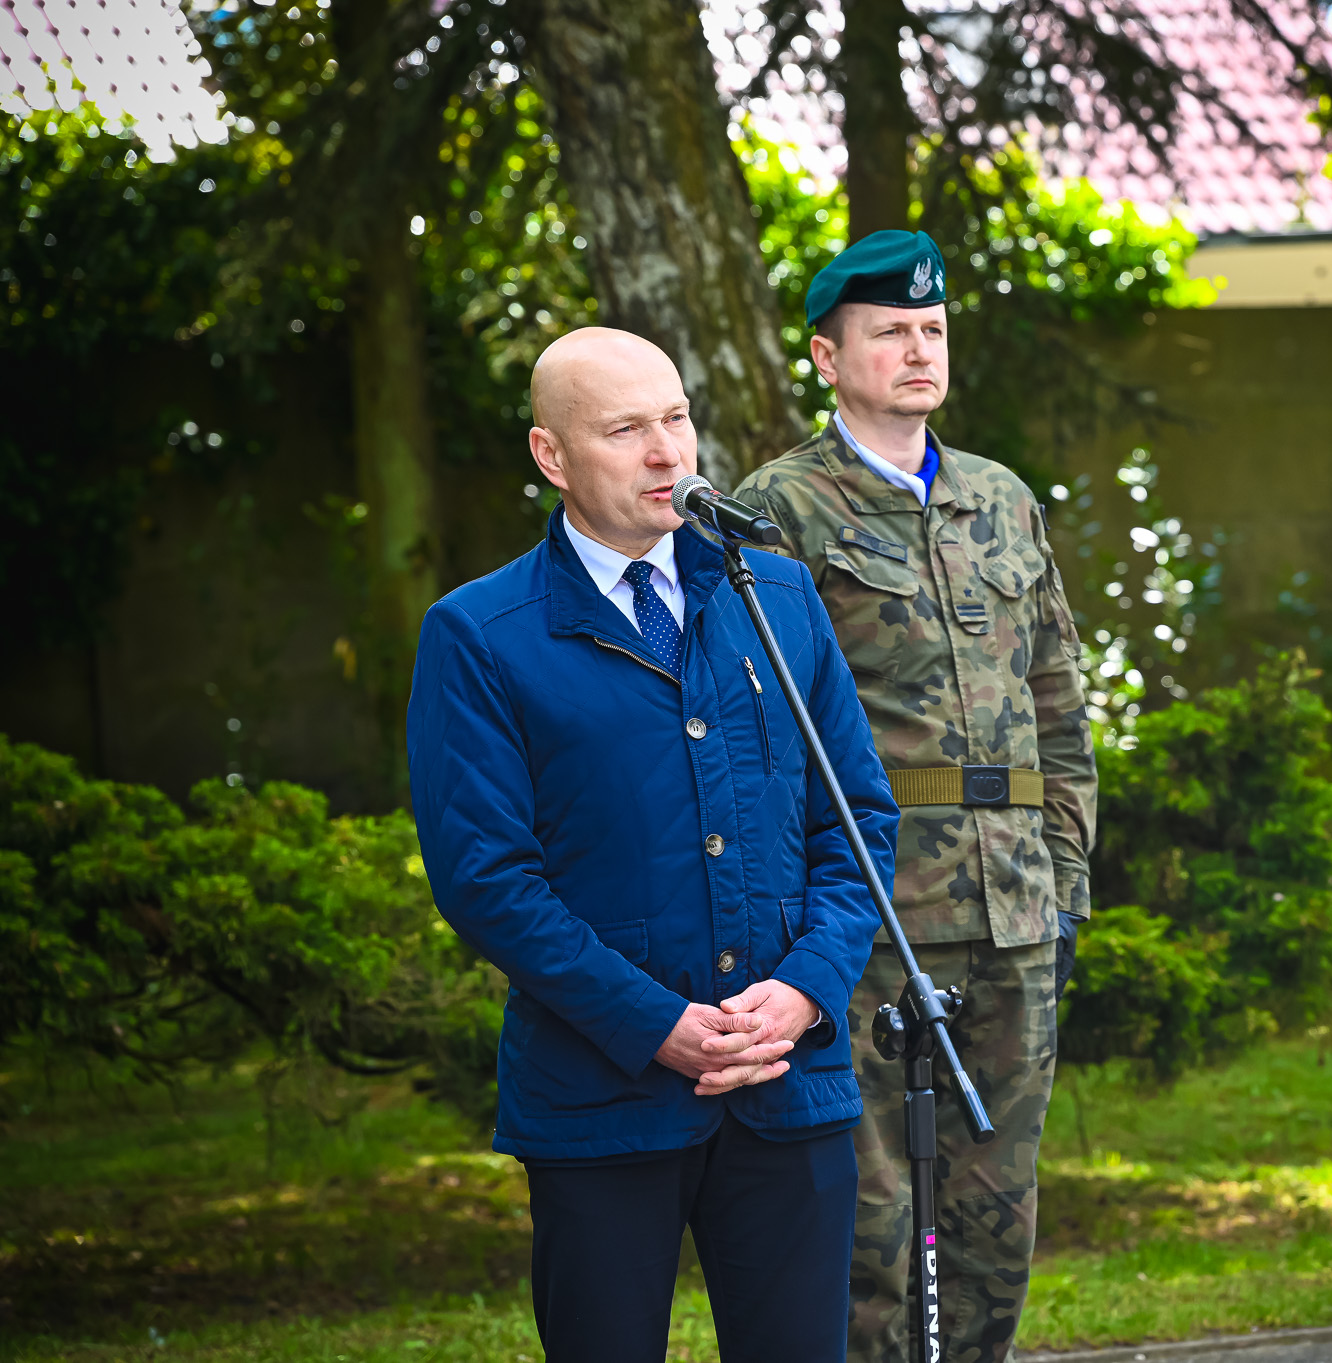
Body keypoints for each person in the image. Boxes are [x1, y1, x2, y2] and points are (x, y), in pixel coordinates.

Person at [408, 326, 898, 1363]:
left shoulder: (776, 597)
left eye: (675, 417)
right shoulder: (481, 634)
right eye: (626, 429)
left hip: (788, 1082)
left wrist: (806, 988)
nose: (667, 451)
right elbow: (485, 879)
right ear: (551, 455)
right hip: (600, 1100)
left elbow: (855, 824)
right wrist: (654, 1023)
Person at [734, 230, 1097, 1363]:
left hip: (1014, 910)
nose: (918, 349)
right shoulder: (778, 509)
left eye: (931, 329)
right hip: (873, 912)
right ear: (826, 356)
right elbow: (756, 732)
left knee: (999, 1206)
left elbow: (1058, 704)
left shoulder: (1001, 498)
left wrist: (1065, 883)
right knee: (872, 1211)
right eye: (889, 331)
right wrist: (802, 917)